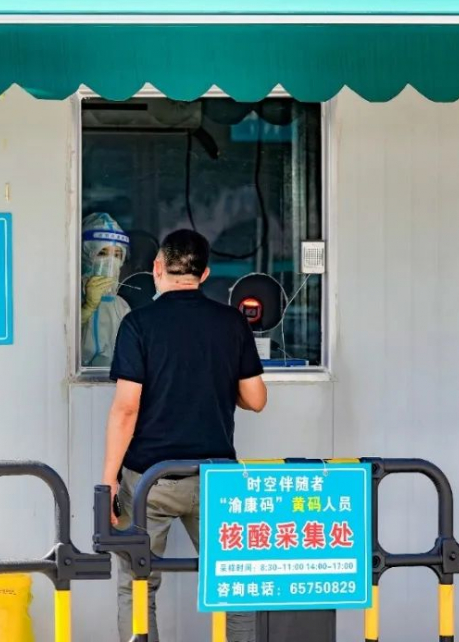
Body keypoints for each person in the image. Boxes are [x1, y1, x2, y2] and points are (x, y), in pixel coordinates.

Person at [101, 229, 268, 642]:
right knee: (235, 583)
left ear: (158, 268)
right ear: (205, 273)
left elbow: (126, 408)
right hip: (215, 479)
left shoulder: (138, 323)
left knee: (138, 584)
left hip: (148, 481)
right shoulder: (230, 323)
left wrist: (108, 480)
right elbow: (256, 399)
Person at [81, 213, 132, 367]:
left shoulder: (121, 307)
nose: (111, 262)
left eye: (117, 255)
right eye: (102, 253)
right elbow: (58, 340)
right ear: (85, 256)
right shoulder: (67, 299)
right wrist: (87, 308)